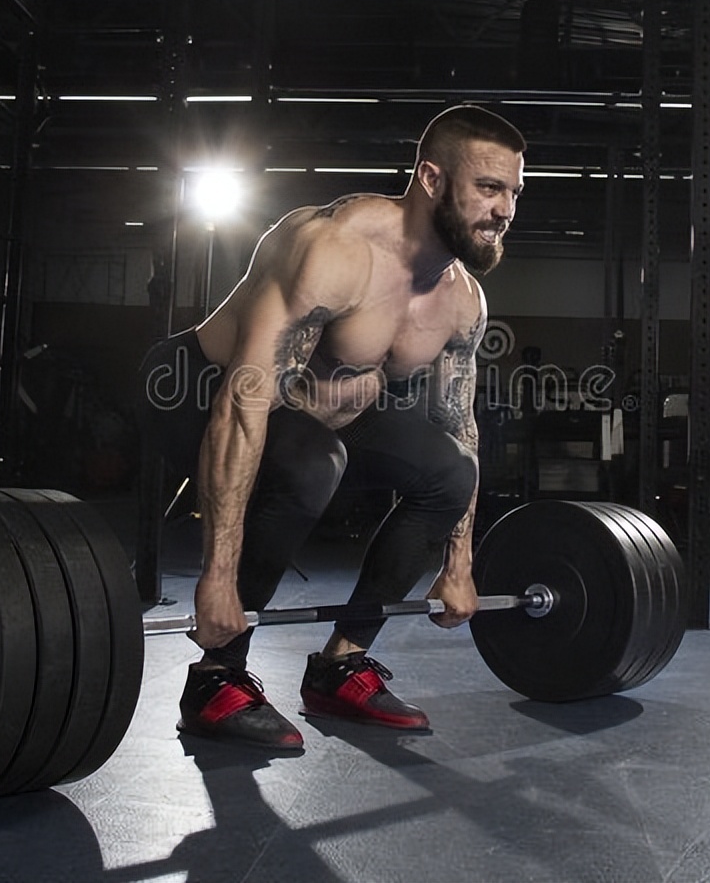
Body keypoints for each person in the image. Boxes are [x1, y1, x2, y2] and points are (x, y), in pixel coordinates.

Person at [139, 105, 526, 750]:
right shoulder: (334, 248)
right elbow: (245, 401)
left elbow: (460, 428)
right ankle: (215, 677)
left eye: (515, 191)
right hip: (199, 384)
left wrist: (459, 564)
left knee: (447, 471)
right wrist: (217, 579)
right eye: (489, 188)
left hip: (322, 410)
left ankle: (341, 666)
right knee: (312, 464)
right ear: (431, 179)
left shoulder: (462, 299)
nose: (506, 209)